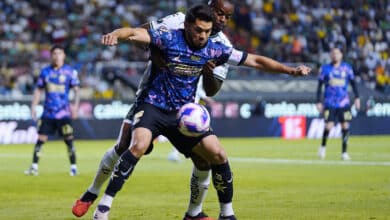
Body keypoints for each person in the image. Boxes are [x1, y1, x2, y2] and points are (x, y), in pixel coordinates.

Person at [92, 4, 310, 220]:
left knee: (217, 154)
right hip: (153, 104)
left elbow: (254, 60)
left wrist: (290, 70)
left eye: (207, 31)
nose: (203, 36)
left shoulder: (216, 48)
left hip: (183, 112)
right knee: (136, 145)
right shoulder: (169, 35)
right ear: (188, 26)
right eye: (199, 30)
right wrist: (116, 35)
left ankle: (226, 214)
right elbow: (134, 32)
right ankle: (103, 203)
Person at [73, 1, 235, 219]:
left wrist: (208, 72)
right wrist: (154, 51)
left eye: (227, 17)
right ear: (209, 8)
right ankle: (91, 193)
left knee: (204, 159)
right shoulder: (178, 20)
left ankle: (194, 212)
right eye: (219, 13)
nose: (222, 19)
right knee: (125, 145)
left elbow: (213, 89)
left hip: (186, 108)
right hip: (153, 96)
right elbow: (142, 32)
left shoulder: (223, 45)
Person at [24, 45, 80, 176]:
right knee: (41, 139)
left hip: (64, 112)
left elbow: (77, 90)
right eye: (54, 53)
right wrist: (33, 106)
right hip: (48, 112)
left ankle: (73, 167)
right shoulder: (45, 72)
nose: (57, 56)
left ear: (64, 55)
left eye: (59, 53)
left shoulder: (70, 72)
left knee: (69, 139)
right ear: (51, 55)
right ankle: (34, 167)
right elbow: (38, 90)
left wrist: (75, 106)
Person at [316, 47, 360, 160]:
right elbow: (319, 86)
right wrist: (318, 101)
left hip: (344, 103)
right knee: (328, 126)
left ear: (341, 55)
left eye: (337, 53)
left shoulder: (347, 68)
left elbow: (354, 83)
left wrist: (357, 98)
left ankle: (344, 152)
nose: (335, 55)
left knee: (345, 125)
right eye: (333, 53)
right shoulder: (325, 69)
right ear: (330, 55)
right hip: (329, 102)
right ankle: (323, 147)